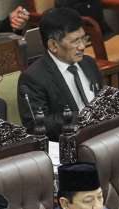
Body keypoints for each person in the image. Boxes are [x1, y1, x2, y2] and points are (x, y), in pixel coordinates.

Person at [18, 7, 103, 141]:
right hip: (69, 144)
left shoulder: (88, 63)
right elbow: (36, 125)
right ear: (53, 45)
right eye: (75, 41)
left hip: (101, 135)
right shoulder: (33, 78)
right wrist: (81, 117)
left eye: (83, 38)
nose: (82, 47)